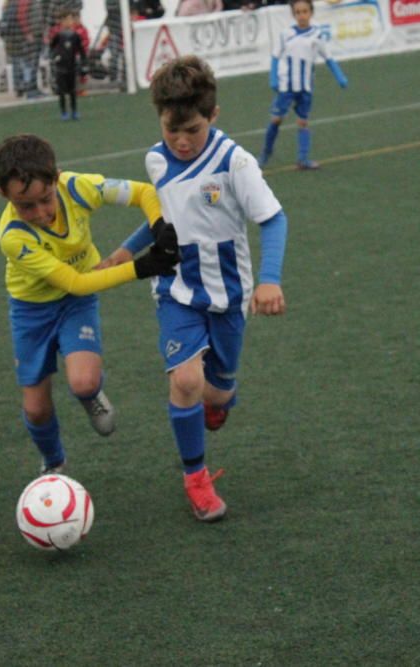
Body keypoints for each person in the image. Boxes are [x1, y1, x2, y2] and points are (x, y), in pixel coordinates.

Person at [101, 56, 289, 522]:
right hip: (175, 290)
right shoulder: (156, 160)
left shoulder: (235, 162)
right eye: (172, 131)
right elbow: (163, 221)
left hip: (229, 298)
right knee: (185, 381)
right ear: (159, 120)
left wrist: (269, 279)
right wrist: (127, 249)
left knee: (215, 393)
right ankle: (196, 479)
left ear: (214, 116)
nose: (182, 142)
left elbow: (274, 218)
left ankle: (221, 399)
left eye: (193, 130)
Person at [0, 134, 180, 475]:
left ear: (57, 178)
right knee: (35, 409)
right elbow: (74, 281)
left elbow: (145, 192)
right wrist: (140, 266)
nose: (40, 214)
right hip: (31, 311)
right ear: (3, 195)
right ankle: (54, 463)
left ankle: (92, 394)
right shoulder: (13, 237)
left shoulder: (78, 187)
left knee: (84, 383)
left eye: (46, 200)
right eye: (25, 206)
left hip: (76, 304)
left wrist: (159, 225)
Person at [258, 0, 348, 170]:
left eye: (305, 11)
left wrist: (340, 76)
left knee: (303, 122)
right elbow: (276, 57)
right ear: (293, 14)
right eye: (298, 12)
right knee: (276, 120)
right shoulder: (286, 34)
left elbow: (328, 58)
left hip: (306, 87)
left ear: (311, 12)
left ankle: (303, 159)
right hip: (286, 86)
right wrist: (273, 78)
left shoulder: (317, 35)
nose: (301, 15)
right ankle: (266, 153)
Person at [48, 10, 88, 120]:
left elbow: (81, 51)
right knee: (61, 91)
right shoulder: (58, 36)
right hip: (60, 67)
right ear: (61, 22)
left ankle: (74, 111)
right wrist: (54, 57)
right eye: (66, 19)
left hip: (72, 66)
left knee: (72, 91)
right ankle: (64, 112)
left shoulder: (75, 36)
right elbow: (51, 48)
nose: (69, 22)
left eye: (70, 19)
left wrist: (84, 64)